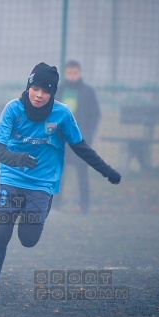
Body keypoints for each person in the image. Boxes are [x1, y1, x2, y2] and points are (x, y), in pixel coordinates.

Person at [0, 62, 120, 300]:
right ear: (29, 86)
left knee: (28, 240)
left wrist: (107, 171)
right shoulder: (13, 109)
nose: (39, 95)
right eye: (35, 89)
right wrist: (17, 157)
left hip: (42, 184)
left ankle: (42, 205)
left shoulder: (61, 114)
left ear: (53, 93)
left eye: (46, 91)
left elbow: (80, 147)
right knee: (2, 230)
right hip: (11, 178)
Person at [54, 60, 101, 214]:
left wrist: (88, 134)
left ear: (80, 73)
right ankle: (55, 204)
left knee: (82, 171)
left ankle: (84, 205)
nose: (72, 76)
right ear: (65, 73)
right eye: (69, 73)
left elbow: (95, 114)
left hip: (80, 139)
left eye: (75, 73)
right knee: (58, 173)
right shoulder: (58, 91)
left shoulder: (88, 92)